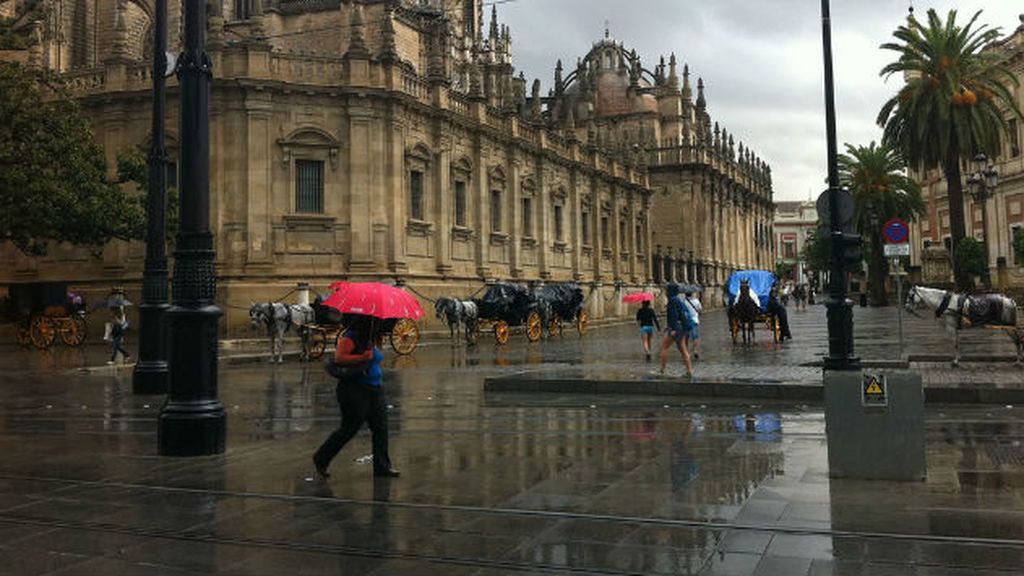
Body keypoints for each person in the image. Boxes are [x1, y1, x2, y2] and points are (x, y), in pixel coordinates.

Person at [314, 315, 400, 479]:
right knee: (349, 428)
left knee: (381, 428)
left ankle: (382, 467)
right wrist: (362, 357)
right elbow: (339, 358)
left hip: (375, 389)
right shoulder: (350, 337)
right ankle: (321, 458)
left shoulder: (369, 339)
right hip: (354, 390)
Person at [659, 284, 694, 378]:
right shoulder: (678, 300)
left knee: (664, 347)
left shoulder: (673, 301)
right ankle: (689, 370)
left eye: (666, 290)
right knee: (683, 349)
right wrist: (669, 326)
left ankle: (662, 370)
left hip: (676, 328)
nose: (665, 292)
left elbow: (674, 315)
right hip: (682, 327)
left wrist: (673, 329)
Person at [684, 289, 702, 360]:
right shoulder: (696, 301)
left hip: (686, 321)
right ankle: (695, 351)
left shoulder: (684, 302)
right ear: (691, 294)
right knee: (695, 337)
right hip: (695, 320)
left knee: (686, 337)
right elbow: (700, 310)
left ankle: (686, 351)